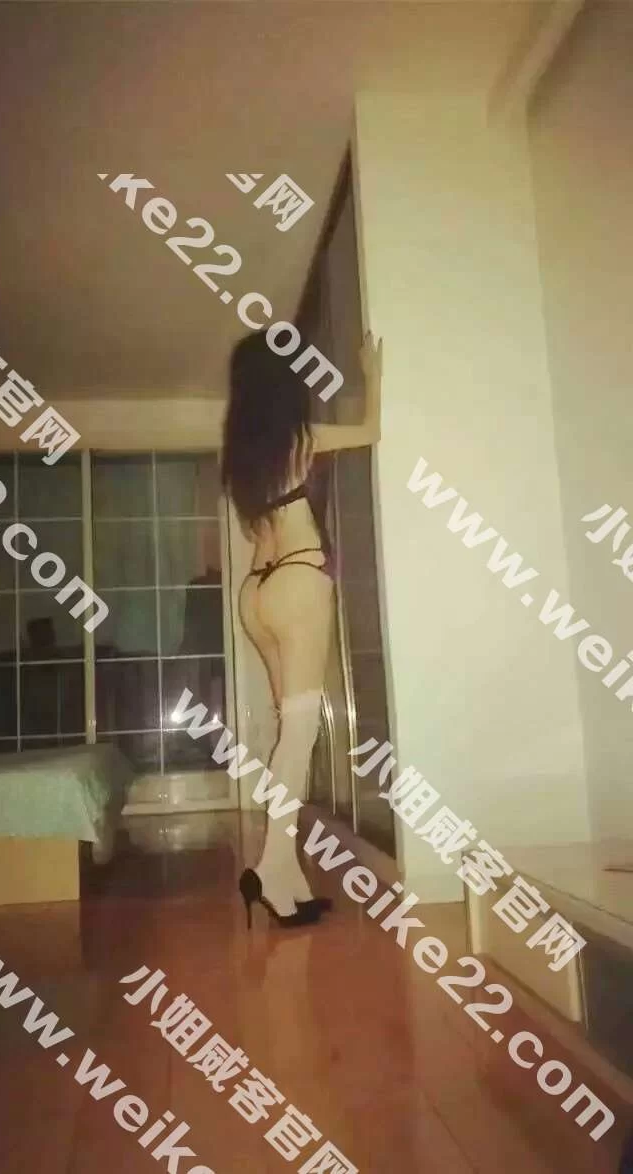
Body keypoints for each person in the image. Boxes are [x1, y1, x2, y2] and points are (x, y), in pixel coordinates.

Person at [221, 329, 382, 927]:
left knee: (288, 731)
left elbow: (255, 529)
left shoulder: (240, 458)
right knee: (300, 730)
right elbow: (371, 431)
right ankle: (270, 866)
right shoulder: (300, 438)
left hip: (255, 591)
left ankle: (285, 878)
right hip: (297, 579)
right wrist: (372, 373)